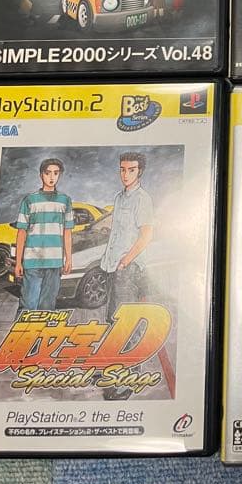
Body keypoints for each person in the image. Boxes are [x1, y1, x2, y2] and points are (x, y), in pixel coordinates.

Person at [100, 152, 154, 400]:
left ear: (139, 171)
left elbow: (146, 236)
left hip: (128, 269)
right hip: (113, 267)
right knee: (113, 321)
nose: (125, 174)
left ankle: (129, 379)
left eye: (131, 170)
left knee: (127, 324)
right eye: (122, 169)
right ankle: (113, 370)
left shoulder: (142, 199)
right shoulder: (119, 198)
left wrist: (126, 261)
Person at [14, 158, 73, 312]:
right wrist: (18, 262)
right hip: (32, 261)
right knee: (28, 306)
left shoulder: (65, 201)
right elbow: (21, 232)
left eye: (56, 173)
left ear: (59, 175)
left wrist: (68, 259)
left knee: (47, 308)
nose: (52, 177)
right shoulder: (29, 200)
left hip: (54, 262)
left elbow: (67, 232)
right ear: (41, 175)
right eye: (48, 173)